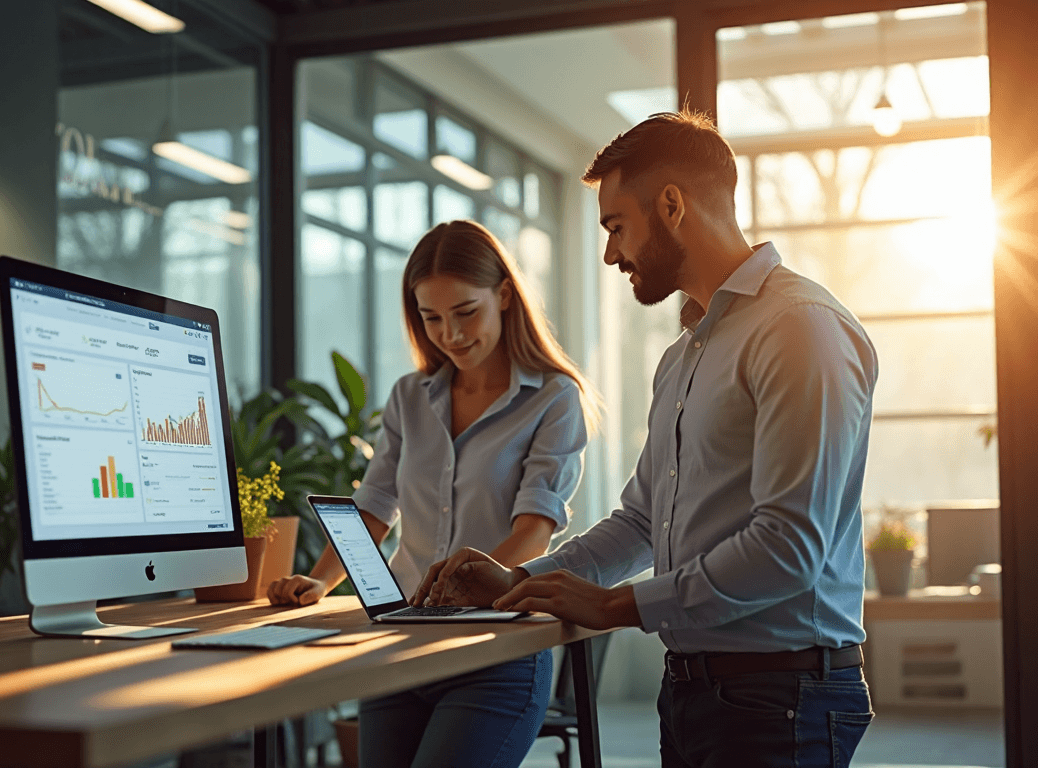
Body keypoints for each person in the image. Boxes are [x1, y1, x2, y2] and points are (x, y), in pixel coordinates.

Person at [414, 110, 879, 768]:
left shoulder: (798, 328)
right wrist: (519, 580)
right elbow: (639, 522)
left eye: (615, 226)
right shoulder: (686, 353)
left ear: (670, 205)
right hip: (697, 686)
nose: (609, 254)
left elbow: (789, 545)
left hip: (782, 694)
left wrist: (619, 605)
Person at [267, 219, 599, 768]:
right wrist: (319, 580)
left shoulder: (554, 399)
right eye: (431, 318)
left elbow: (535, 529)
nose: (451, 334)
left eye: (466, 312)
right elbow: (376, 503)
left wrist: (474, 587)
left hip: (497, 649)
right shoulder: (409, 397)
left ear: (505, 295)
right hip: (399, 642)